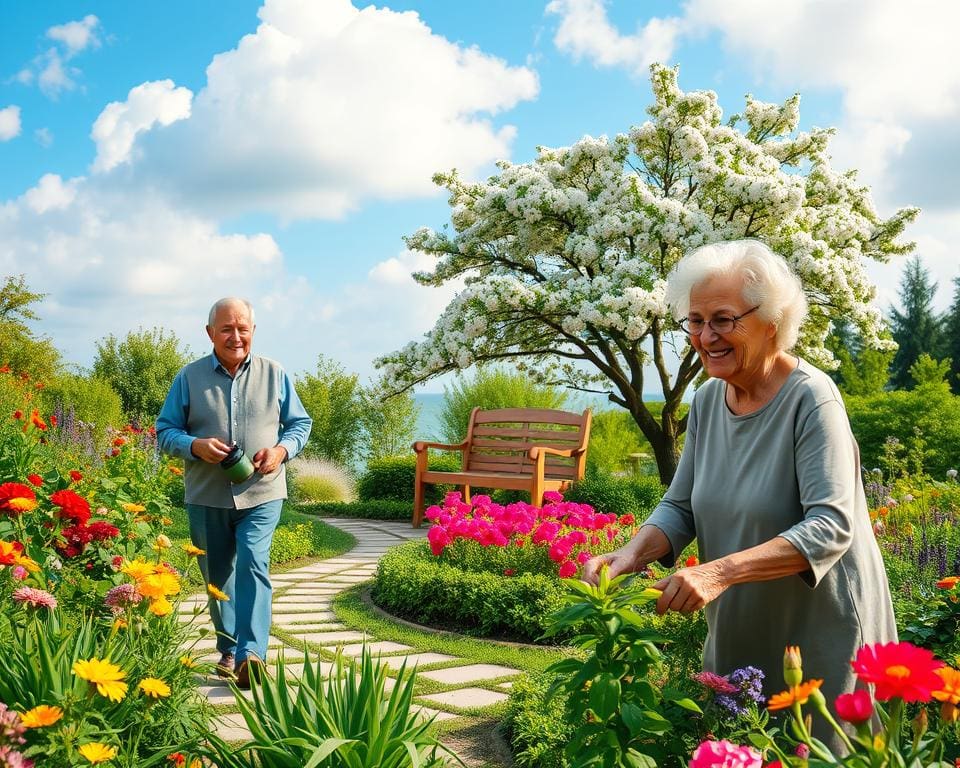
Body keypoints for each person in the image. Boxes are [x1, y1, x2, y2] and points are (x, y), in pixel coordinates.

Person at [583, 239, 896, 750]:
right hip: (740, 626)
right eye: (695, 321)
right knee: (737, 748)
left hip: (821, 633)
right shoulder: (709, 400)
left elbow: (830, 527)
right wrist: (631, 554)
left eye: (723, 320)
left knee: (817, 753)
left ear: (771, 321)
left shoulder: (812, 399)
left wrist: (716, 573)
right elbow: (680, 506)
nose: (706, 337)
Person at [157, 297, 312, 688]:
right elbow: (165, 432)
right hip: (206, 495)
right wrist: (195, 446)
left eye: (243, 328)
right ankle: (228, 649)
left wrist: (281, 451)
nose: (236, 336)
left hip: (262, 492)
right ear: (210, 332)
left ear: (253, 331)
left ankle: (251, 655)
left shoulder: (275, 373)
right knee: (217, 576)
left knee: (253, 564)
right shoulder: (188, 377)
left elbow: (300, 424)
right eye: (226, 328)